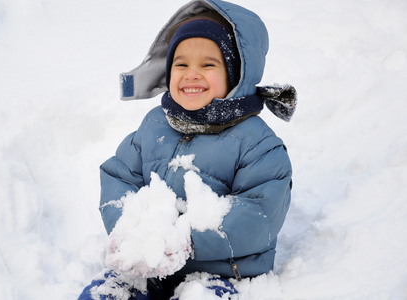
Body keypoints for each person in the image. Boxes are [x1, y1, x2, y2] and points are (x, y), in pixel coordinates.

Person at [79, 0, 297, 299]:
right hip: (149, 263)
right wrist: (128, 230)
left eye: (208, 64)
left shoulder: (256, 141)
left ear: (235, 75)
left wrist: (188, 240)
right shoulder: (155, 124)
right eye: (181, 64)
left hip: (221, 272)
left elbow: (260, 214)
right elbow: (120, 176)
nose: (192, 73)